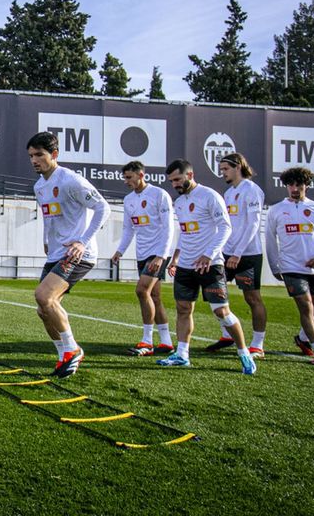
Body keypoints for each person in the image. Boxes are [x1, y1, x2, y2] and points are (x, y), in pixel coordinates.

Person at [158, 159, 256, 374]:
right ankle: (182, 354)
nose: (174, 184)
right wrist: (175, 258)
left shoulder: (210, 196)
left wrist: (209, 255)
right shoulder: (180, 202)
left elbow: (225, 227)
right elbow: (185, 233)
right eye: (171, 181)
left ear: (190, 175)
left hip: (210, 265)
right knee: (184, 309)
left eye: (177, 179)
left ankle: (244, 353)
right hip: (186, 266)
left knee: (221, 311)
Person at [28, 132, 110, 378]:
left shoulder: (70, 180)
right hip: (55, 253)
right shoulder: (39, 185)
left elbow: (103, 208)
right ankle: (63, 354)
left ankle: (72, 350)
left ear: (54, 155)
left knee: (44, 296)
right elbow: (48, 217)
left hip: (77, 254)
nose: (34, 160)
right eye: (31, 156)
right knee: (43, 309)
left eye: (39, 155)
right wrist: (45, 240)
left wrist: (83, 242)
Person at [265, 167, 314, 366]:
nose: (294, 188)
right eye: (291, 185)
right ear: (286, 186)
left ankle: (302, 338)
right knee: (306, 307)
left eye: (299, 185)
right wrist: (275, 267)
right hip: (291, 268)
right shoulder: (276, 210)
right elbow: (270, 241)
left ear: (306, 185)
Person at [110, 161, 175, 356]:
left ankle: (147, 341)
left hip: (157, 253)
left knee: (141, 291)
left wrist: (161, 255)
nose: (126, 181)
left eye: (129, 177)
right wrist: (120, 250)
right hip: (142, 253)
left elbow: (168, 227)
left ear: (141, 175)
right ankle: (166, 342)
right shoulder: (129, 199)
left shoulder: (159, 195)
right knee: (154, 297)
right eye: (125, 178)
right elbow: (129, 228)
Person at [213, 153, 268, 357]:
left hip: (247, 254)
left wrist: (237, 253)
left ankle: (257, 344)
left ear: (238, 167)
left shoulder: (252, 190)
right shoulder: (228, 193)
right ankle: (227, 334)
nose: (223, 173)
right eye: (221, 170)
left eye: (226, 169)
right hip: (226, 253)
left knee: (252, 298)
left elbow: (254, 224)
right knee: (214, 293)